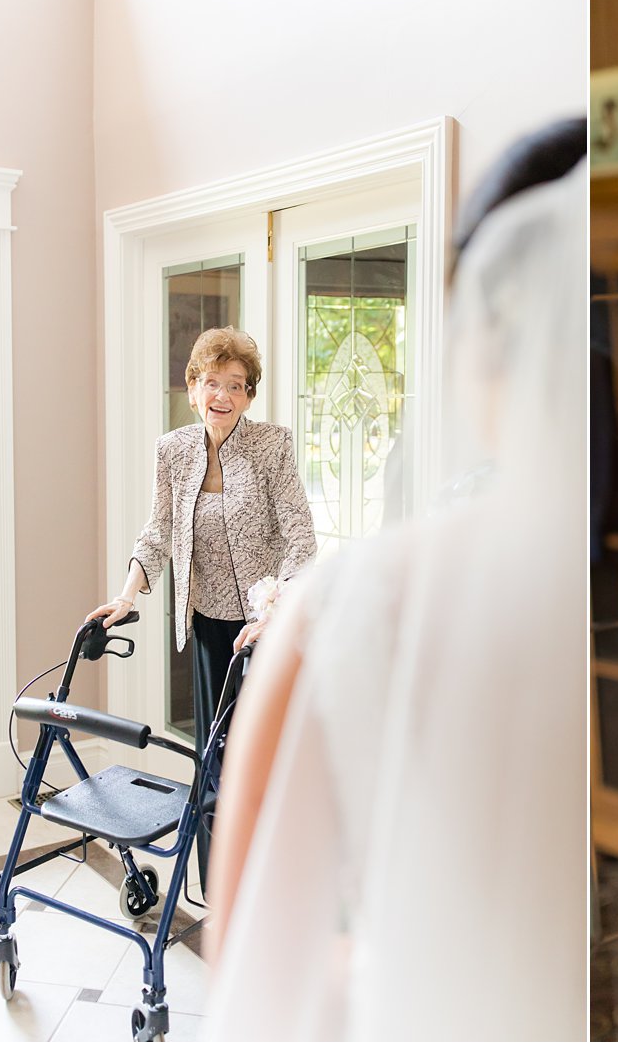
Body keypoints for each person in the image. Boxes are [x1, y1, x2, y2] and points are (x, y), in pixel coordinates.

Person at [203, 119, 588, 1040]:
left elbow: (252, 956)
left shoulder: (355, 601)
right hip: (207, 617)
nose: (216, 395)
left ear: (478, 339)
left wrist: (398, 967)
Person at [88, 326, 315, 888]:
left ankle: (274, 881)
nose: (223, 395)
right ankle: (220, 882)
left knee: (263, 752)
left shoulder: (272, 447)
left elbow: (300, 538)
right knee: (213, 754)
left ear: (249, 396)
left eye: (236, 385)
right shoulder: (173, 451)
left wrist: (275, 609)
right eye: (211, 382)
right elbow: (158, 531)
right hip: (210, 628)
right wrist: (127, 593)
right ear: (192, 388)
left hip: (266, 628)